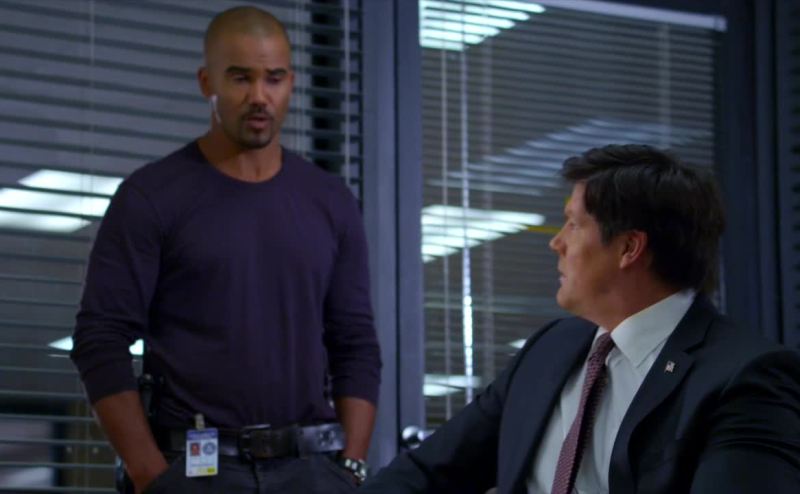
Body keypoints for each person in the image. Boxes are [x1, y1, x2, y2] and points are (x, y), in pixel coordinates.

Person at [361, 144, 800, 494]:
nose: (556, 243)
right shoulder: (551, 348)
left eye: (572, 224)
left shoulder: (746, 377)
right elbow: (428, 472)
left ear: (629, 248)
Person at [70, 6, 381, 494]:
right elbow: (99, 339)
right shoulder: (151, 196)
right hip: (194, 470)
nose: (259, 96)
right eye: (240, 78)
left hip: (311, 472)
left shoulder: (330, 201)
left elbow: (355, 342)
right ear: (206, 82)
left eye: (273, 78)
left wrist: (351, 470)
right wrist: (152, 478)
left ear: (290, 83)